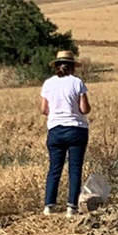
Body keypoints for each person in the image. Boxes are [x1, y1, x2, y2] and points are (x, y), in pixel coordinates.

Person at [40, 50, 91, 217]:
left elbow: (43, 109)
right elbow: (84, 109)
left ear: (56, 66)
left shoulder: (48, 83)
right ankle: (71, 207)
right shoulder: (77, 83)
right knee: (74, 169)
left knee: (54, 168)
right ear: (72, 67)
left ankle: (49, 206)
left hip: (55, 130)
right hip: (76, 129)